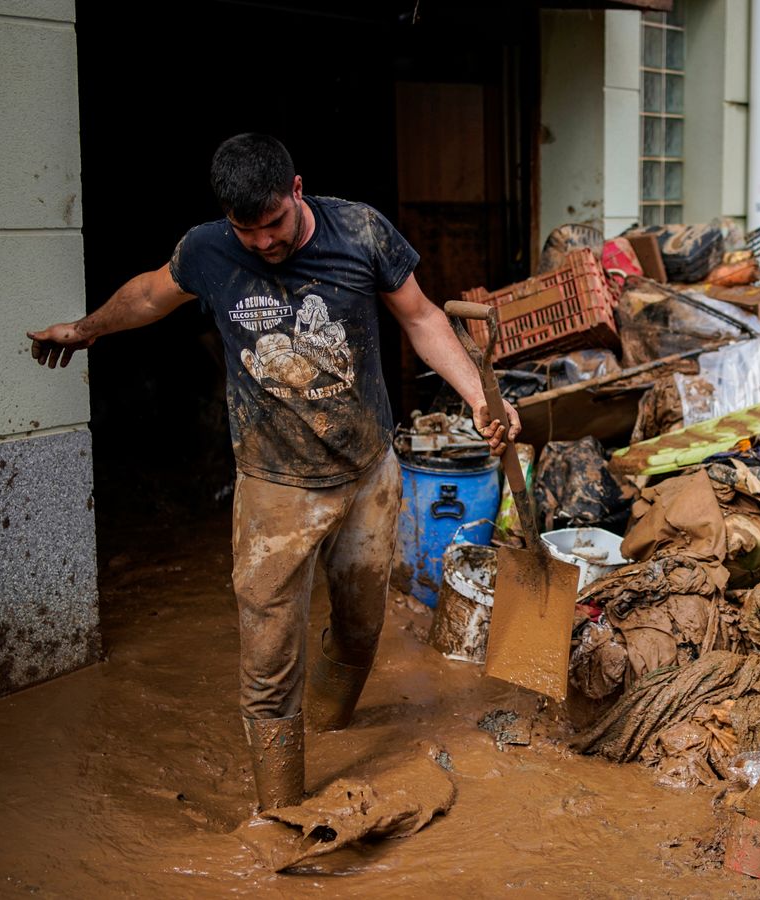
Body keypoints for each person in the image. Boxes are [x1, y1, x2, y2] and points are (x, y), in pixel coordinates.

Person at [27, 133, 519, 812]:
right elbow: (147, 295)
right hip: (273, 488)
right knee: (267, 663)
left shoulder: (359, 230)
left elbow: (423, 318)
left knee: (360, 626)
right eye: (246, 231)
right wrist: (86, 330)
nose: (262, 243)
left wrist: (475, 396)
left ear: (297, 190)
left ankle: (333, 725)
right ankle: (280, 813)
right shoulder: (206, 249)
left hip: (367, 472)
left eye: (274, 225)